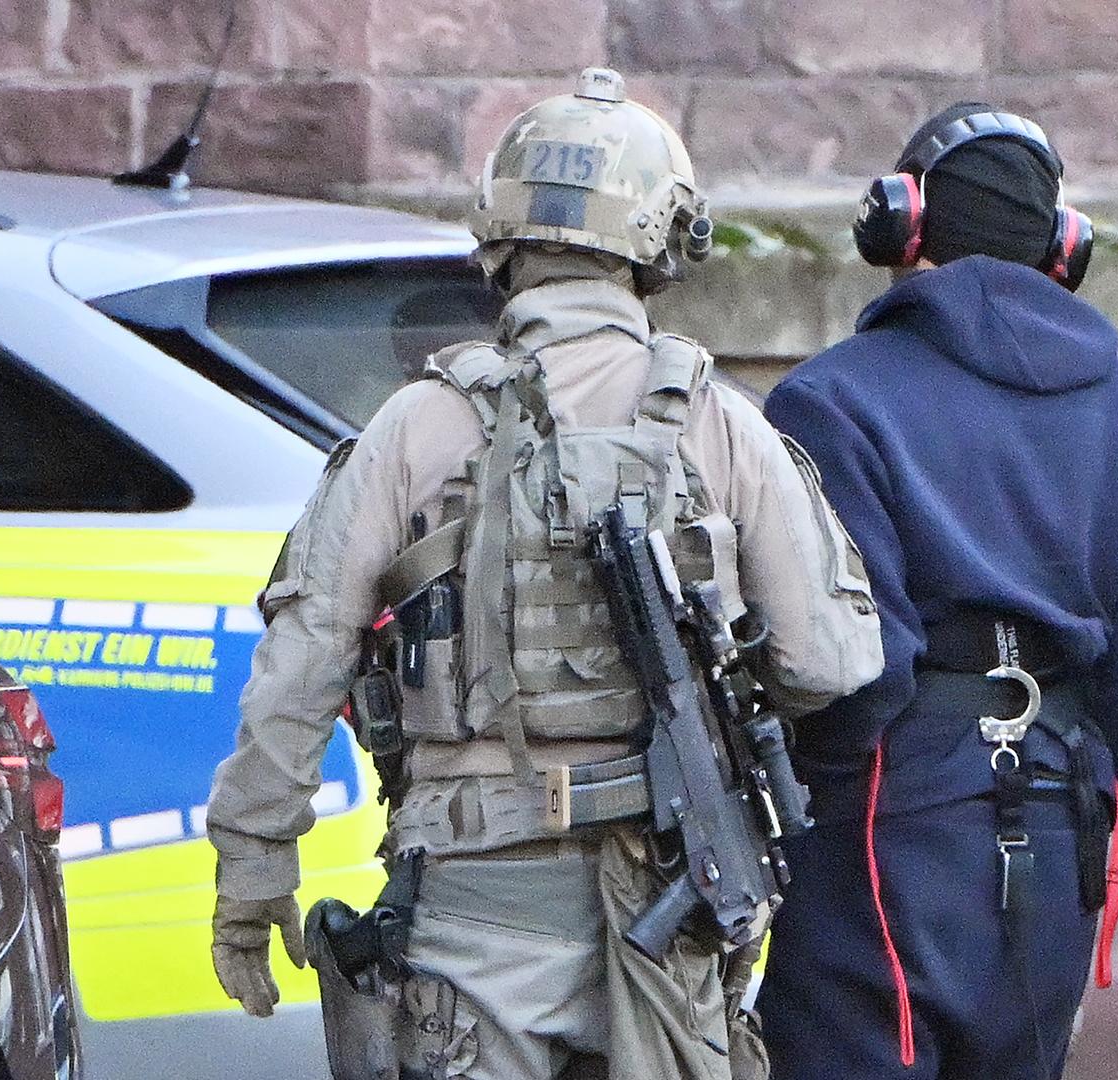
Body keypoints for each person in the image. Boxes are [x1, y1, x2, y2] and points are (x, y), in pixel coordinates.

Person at [203, 67, 884, 1080]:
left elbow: (303, 659)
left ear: (499, 231)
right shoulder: (720, 424)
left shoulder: (418, 425)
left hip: (472, 905)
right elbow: (831, 661)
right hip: (672, 884)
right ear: (665, 236)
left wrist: (254, 870)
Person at [756, 103, 1118, 1080]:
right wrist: (1096, 787)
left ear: (902, 224)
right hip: (1065, 811)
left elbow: (849, 672)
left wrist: (818, 811)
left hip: (885, 820)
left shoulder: (829, 401)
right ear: (1062, 245)